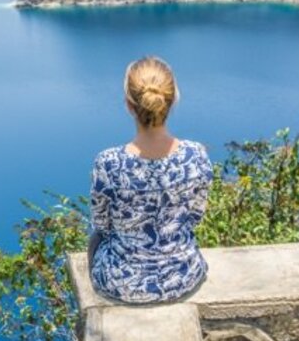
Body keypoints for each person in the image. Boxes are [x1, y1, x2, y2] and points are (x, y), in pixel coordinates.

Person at [88, 56, 212, 303]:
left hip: (122, 284)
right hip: (184, 276)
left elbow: (102, 225)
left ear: (129, 105)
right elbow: (195, 218)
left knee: (94, 239)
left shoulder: (109, 163)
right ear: (173, 99)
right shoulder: (196, 155)